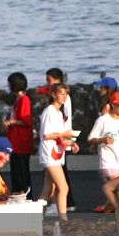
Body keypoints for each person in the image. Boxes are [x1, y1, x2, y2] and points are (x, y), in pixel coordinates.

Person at [38, 83, 78, 220]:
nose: (64, 96)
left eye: (66, 94)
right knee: (64, 188)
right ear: (54, 94)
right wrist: (64, 134)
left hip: (55, 155)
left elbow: (58, 137)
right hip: (50, 155)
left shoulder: (59, 113)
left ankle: (35, 218)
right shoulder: (49, 111)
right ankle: (64, 219)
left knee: (48, 191)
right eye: (61, 93)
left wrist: (71, 143)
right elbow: (46, 135)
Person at [89, 90, 119, 212]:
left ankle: (109, 212)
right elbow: (90, 139)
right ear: (112, 105)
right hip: (108, 161)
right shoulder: (103, 120)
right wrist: (103, 140)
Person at [3, 72, 34, 196]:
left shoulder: (24, 100)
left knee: (21, 173)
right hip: (16, 142)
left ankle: (26, 196)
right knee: (16, 172)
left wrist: (11, 122)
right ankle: (19, 195)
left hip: (21, 142)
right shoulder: (19, 100)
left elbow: (26, 121)